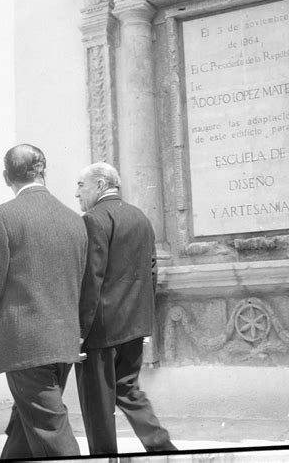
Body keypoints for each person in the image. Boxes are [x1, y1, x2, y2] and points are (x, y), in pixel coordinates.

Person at [0, 144, 88, 459]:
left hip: (25, 344)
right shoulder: (75, 220)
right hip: (63, 344)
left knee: (51, 433)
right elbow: (82, 283)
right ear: (43, 171)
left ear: (6, 175)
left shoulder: (0, 217)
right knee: (26, 428)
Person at [75, 162, 177, 455]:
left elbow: (91, 280)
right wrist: (144, 318)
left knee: (97, 405)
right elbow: (152, 271)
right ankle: (163, 449)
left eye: (81, 185)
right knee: (129, 391)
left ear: (100, 185)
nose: (77, 192)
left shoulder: (94, 219)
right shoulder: (140, 217)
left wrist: (80, 332)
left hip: (101, 332)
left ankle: (106, 459)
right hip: (134, 326)